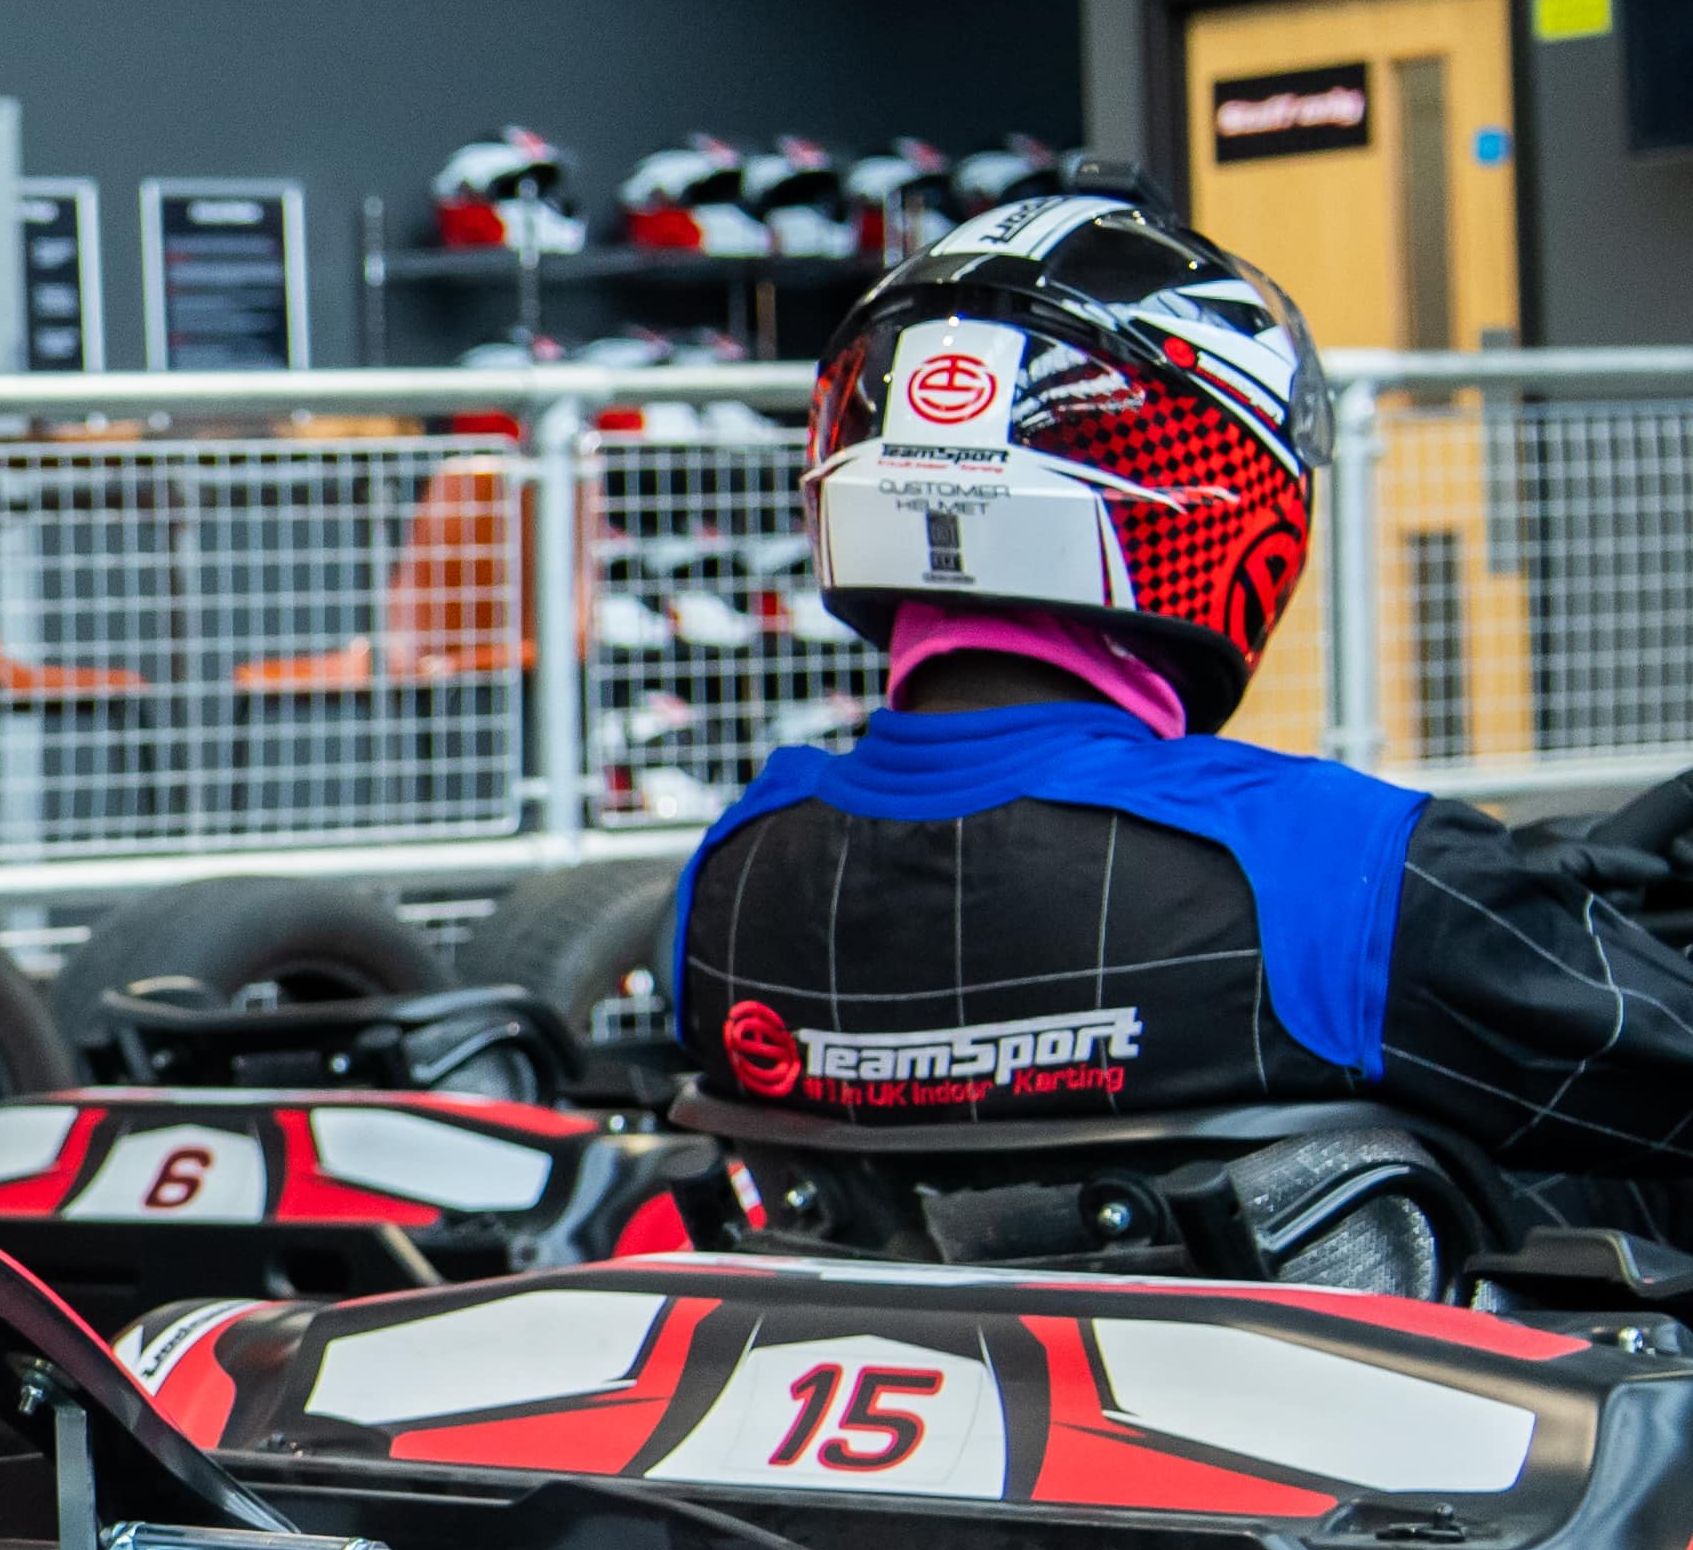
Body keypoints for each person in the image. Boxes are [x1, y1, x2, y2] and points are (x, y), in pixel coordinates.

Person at [678, 178, 1693, 1211]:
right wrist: (1502, 906)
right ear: (1221, 497)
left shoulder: (730, 880)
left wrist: (1516, 888)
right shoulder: (1341, 871)